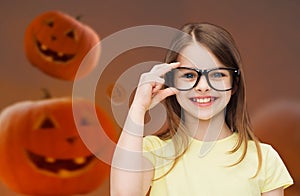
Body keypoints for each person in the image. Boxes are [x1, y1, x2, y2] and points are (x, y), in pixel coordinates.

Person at [110, 23, 293, 196]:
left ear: (234, 84)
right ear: (172, 81)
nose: (203, 86)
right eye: (189, 75)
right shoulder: (153, 150)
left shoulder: (264, 158)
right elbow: (123, 193)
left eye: (217, 74)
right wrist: (138, 108)